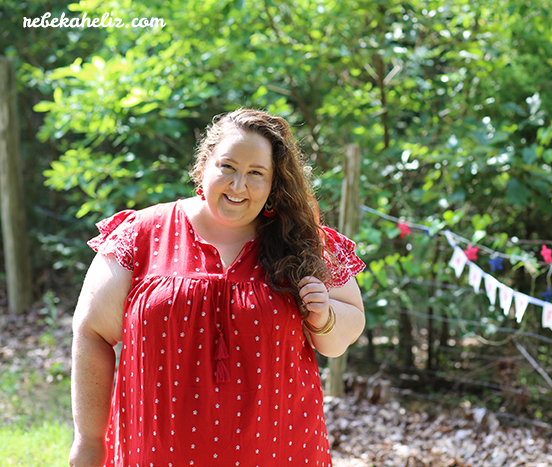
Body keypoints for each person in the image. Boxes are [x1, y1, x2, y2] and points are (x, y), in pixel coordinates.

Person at [69, 108, 366, 467]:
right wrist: (89, 441)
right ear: (203, 165)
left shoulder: (303, 242)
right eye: (227, 167)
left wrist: (325, 317)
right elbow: (91, 332)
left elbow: (341, 338)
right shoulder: (142, 235)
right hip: (156, 454)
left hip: (279, 453)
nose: (238, 185)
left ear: (274, 184)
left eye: (256, 173)